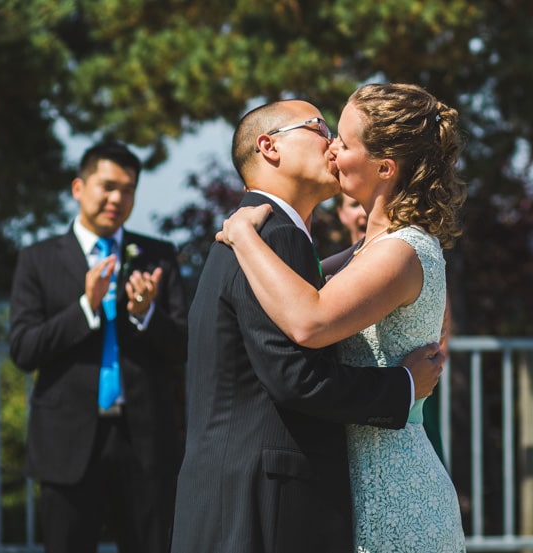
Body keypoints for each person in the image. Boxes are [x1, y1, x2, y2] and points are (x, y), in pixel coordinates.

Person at [169, 99, 446, 553]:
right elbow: (295, 378)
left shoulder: (262, 233)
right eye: (319, 127)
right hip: (261, 499)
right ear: (269, 147)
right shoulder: (271, 235)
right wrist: (403, 386)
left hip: (241, 494)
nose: (332, 143)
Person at [9, 141, 189, 553]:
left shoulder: (157, 256)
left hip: (146, 442)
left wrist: (146, 314)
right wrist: (85, 308)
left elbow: (183, 346)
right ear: (78, 188)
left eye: (128, 189)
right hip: (66, 445)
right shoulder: (38, 259)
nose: (117, 199)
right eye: (107, 186)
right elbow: (23, 349)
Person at [330, 190, 448, 464]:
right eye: (352, 205)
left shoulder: (407, 256)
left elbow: (440, 333)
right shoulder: (335, 268)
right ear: (341, 215)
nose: (361, 212)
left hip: (410, 398)